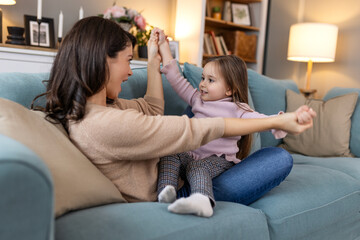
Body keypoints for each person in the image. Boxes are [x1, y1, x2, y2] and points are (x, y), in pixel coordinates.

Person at [32, 17, 315, 209]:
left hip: (185, 170)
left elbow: (152, 108)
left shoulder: (98, 108)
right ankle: (203, 198)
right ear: (101, 60)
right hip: (174, 189)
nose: (131, 71)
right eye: (129, 61)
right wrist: (279, 120)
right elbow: (192, 130)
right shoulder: (104, 123)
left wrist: (156, 58)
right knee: (278, 158)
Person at [155, 32, 316, 217]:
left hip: (218, 160)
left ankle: (202, 200)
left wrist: (291, 118)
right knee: (170, 152)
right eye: (202, 78)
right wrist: (164, 48)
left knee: (197, 167)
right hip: (190, 155)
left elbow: (262, 119)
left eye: (210, 80)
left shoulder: (238, 109)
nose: (202, 85)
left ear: (230, 88)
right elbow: (176, 79)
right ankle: (166, 190)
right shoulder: (197, 100)